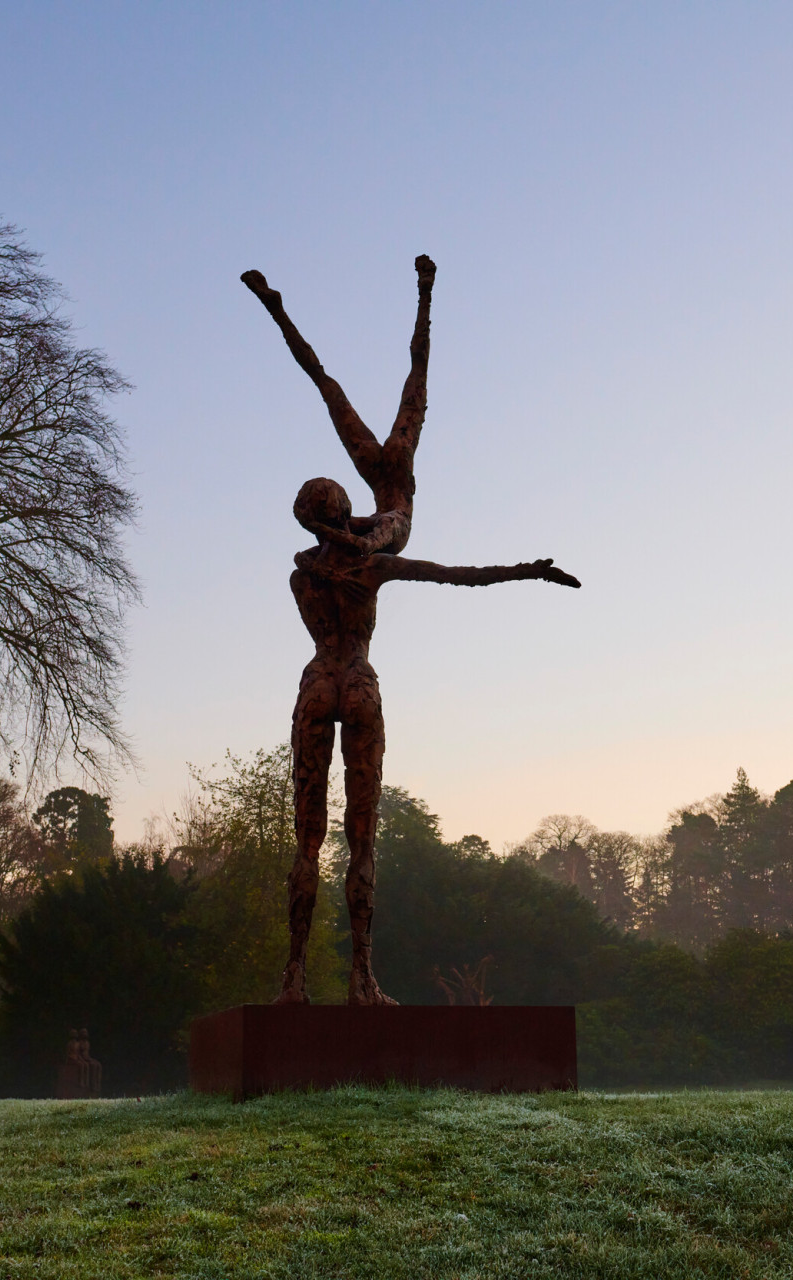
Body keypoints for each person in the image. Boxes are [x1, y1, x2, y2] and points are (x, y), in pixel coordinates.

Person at [280, 476, 579, 1005]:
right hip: (357, 680)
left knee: (307, 839)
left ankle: (294, 980)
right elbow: (454, 576)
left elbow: (315, 559)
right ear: (345, 512)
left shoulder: (301, 577)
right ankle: (362, 978)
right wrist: (526, 571)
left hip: (318, 681)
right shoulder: (371, 566)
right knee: (362, 837)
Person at [241, 255, 435, 555]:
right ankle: (425, 292)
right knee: (329, 384)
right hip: (388, 494)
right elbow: (378, 529)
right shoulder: (390, 525)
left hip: (383, 475)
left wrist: (328, 533)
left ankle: (277, 311)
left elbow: (362, 529)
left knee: (330, 385)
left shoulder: (377, 522)